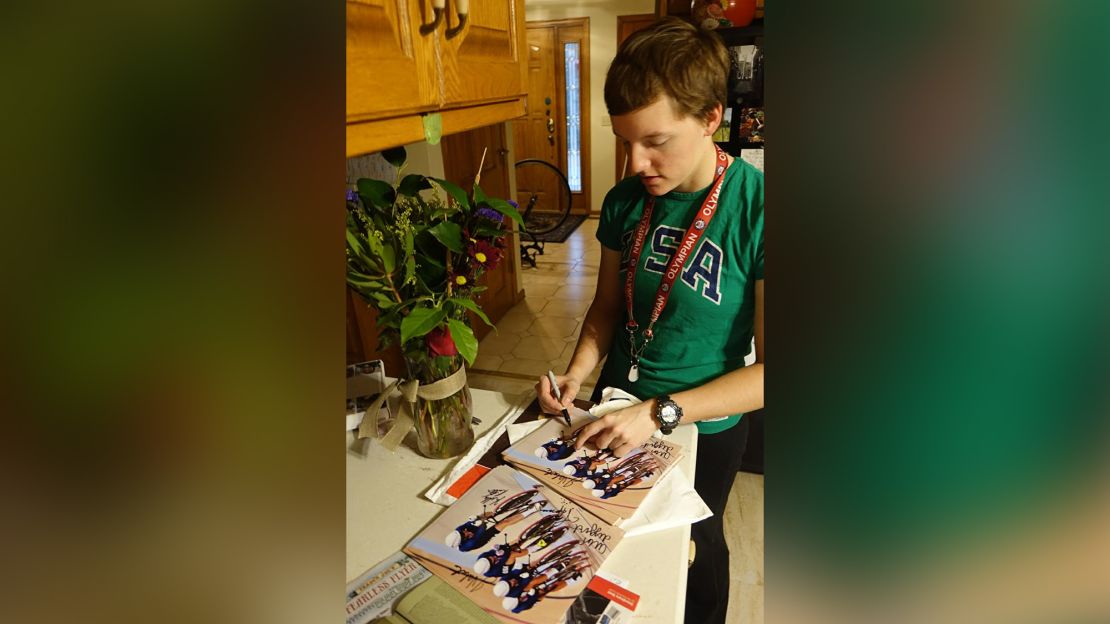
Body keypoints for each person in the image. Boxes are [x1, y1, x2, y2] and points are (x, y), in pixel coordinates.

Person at [535, 17, 763, 624]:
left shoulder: (757, 206)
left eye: (656, 141)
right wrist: (576, 376)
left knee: (694, 549)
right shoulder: (624, 202)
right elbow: (606, 310)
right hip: (612, 410)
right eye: (624, 141)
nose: (636, 162)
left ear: (711, 117)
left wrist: (659, 411)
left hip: (701, 428)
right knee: (608, 545)